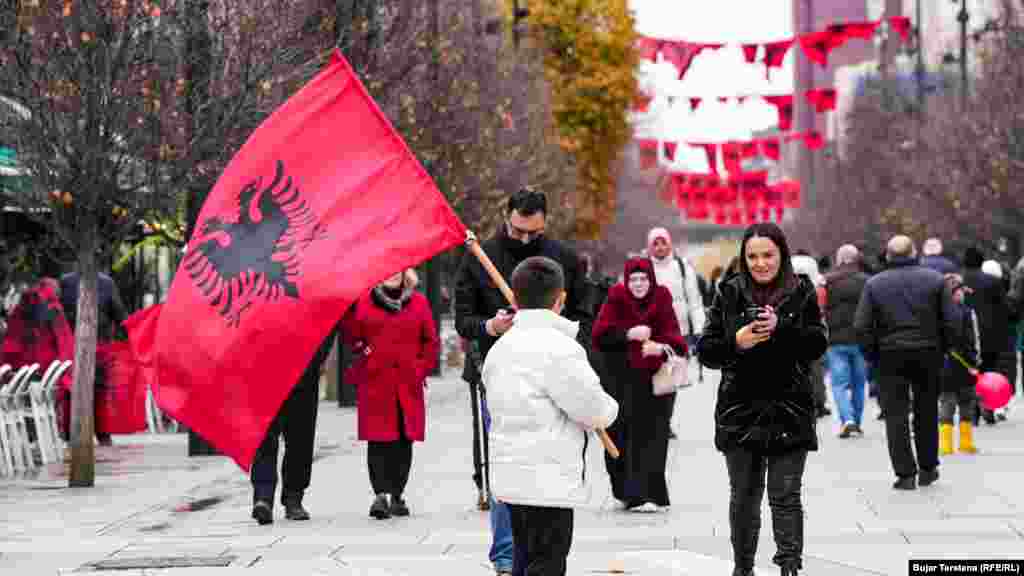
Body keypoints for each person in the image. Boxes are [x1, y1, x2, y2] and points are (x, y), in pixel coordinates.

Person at [454, 188, 591, 576]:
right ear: (507, 217)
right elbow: (463, 319)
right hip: (498, 374)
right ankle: (506, 553)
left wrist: (560, 331)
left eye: (534, 233)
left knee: (551, 459)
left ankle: (542, 550)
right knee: (507, 459)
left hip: (554, 374)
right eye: (518, 231)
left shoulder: (564, 259)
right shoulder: (481, 257)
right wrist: (491, 326)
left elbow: (586, 315)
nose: (526, 239)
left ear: (545, 223)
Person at [696, 223, 827, 576]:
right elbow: (706, 350)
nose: (761, 263)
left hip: (790, 407)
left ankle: (789, 567)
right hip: (740, 409)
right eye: (752, 256)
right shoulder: (729, 291)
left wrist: (781, 327)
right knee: (744, 497)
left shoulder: (801, 290)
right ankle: (743, 569)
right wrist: (736, 342)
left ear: (782, 254)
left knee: (786, 496)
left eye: (768, 255)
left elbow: (817, 344)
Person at [483, 256, 618, 576]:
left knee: (524, 556)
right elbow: (592, 408)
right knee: (547, 561)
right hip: (548, 479)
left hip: (512, 475)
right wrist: (609, 409)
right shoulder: (561, 349)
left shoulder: (500, 350)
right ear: (561, 299)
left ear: (515, 300)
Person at [854, 236, 956, 490]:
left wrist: (872, 355)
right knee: (927, 410)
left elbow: (862, 325)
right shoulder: (935, 280)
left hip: (889, 354)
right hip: (928, 352)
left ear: (888, 255)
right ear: (914, 252)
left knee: (895, 414)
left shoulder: (875, 284)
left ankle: (905, 473)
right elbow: (951, 320)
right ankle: (928, 467)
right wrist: (944, 348)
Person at [341, 269, 439, 519]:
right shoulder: (363, 301)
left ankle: (397, 493)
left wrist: (420, 368)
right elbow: (352, 336)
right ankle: (380, 494)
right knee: (378, 440)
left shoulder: (419, 302)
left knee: (404, 440)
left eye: (399, 269)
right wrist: (365, 355)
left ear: (406, 273)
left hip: (408, 382)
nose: (393, 273)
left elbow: (430, 341)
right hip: (376, 382)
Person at [592, 257, 686, 512]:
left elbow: (676, 339)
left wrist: (659, 347)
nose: (638, 284)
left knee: (653, 438)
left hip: (655, 383)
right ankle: (626, 492)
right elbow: (599, 336)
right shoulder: (616, 298)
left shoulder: (662, 298)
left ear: (651, 279)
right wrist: (628, 334)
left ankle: (649, 494)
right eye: (633, 279)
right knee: (621, 435)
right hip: (620, 381)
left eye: (643, 278)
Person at [249, 326, 336, 525]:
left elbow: (329, 322)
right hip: (266, 370)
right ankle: (263, 497)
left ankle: (293, 497)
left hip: (304, 371)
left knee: (300, 439)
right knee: (265, 437)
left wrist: (317, 358)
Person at [645, 227, 705, 438]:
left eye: (663, 242)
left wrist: (699, 330)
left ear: (670, 243)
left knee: (671, 381)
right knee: (652, 378)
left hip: (679, 332)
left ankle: (664, 422)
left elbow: (694, 300)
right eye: (655, 243)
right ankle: (654, 419)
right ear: (650, 246)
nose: (660, 247)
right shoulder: (644, 268)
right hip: (652, 333)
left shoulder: (682, 267)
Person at [59, 270, 127, 446]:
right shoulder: (106, 282)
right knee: (100, 391)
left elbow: (59, 314)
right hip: (98, 346)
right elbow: (119, 315)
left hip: (74, 347)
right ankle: (102, 433)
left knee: (73, 390)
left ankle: (73, 433)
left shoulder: (66, 281)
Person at [1, 278, 75, 438]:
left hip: (24, 373)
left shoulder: (23, 308)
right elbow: (65, 343)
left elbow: (11, 344)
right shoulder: (53, 309)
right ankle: (52, 433)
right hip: (46, 374)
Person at [962, 247, 1015, 424]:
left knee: (969, 371)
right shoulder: (993, 282)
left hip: (965, 333)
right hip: (989, 334)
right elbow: (1005, 308)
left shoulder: (958, 281)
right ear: (981, 262)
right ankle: (987, 406)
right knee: (988, 370)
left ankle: (973, 410)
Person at [822, 245, 869, 438]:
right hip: (860, 339)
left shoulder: (827, 281)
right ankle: (856, 421)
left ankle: (847, 420)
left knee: (839, 384)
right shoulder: (866, 281)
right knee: (859, 383)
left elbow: (820, 308)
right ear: (857, 259)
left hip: (835, 340)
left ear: (838, 259)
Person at [939, 274, 980, 455]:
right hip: (965, 364)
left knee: (947, 402)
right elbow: (973, 339)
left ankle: (945, 445)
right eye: (961, 291)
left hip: (945, 363)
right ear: (955, 293)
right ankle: (966, 442)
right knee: (966, 401)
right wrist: (975, 361)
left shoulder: (936, 313)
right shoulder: (967, 312)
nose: (963, 294)